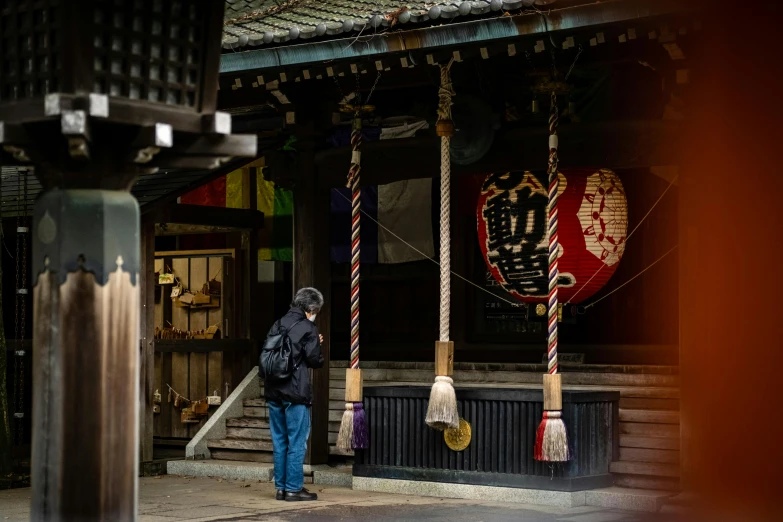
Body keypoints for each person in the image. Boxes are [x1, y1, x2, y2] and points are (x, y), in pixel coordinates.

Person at [264, 287, 325, 502]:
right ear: (311, 308)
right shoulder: (308, 327)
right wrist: (317, 342)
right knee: (297, 441)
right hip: (296, 392)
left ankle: (281, 488)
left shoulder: (278, 323)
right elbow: (315, 360)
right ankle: (293, 488)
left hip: (273, 390)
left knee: (279, 440)